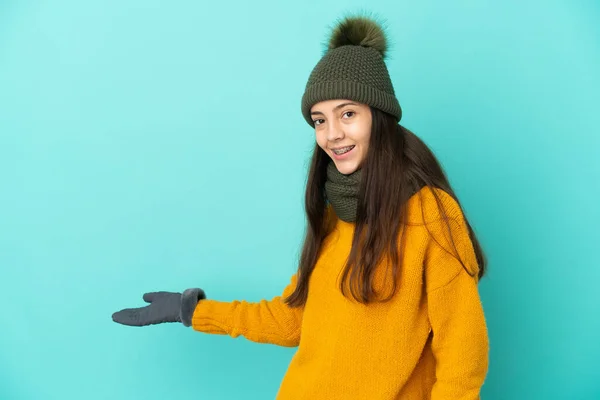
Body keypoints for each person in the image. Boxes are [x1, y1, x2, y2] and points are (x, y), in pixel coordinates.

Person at [112, 14, 490, 400]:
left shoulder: (430, 215)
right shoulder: (332, 217)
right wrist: (192, 311)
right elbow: (293, 320)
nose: (332, 134)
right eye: (319, 120)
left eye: (348, 114)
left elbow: (463, 359)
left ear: (380, 116)